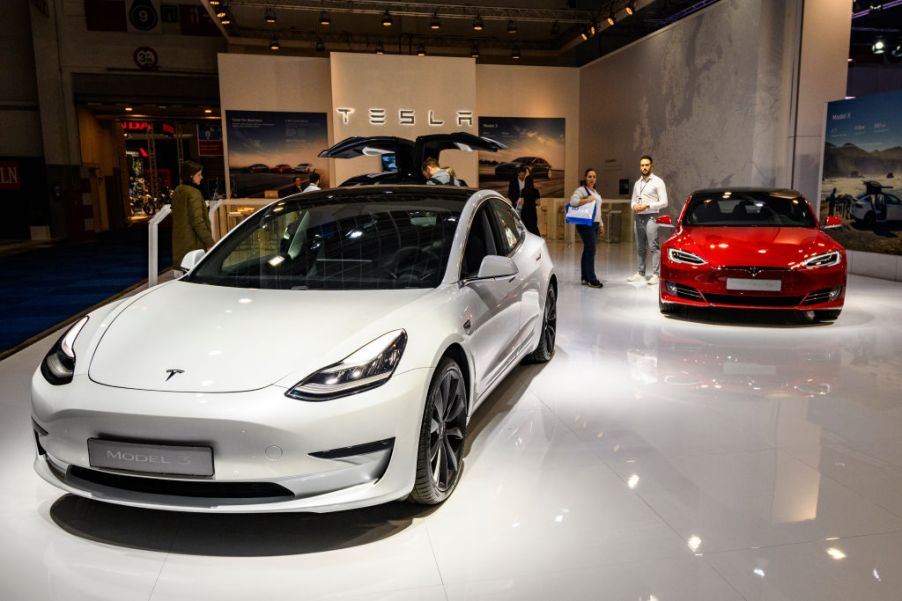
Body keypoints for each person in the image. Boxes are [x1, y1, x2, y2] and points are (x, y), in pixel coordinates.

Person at [628, 155, 668, 285]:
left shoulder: (658, 181)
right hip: (638, 216)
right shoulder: (637, 183)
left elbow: (664, 202)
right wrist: (634, 206)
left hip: (651, 216)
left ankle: (656, 274)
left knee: (653, 246)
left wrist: (648, 205)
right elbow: (633, 199)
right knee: (640, 246)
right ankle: (641, 272)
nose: (644, 167)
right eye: (642, 165)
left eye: (647, 165)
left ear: (652, 166)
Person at [171, 160, 215, 269]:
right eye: (199, 175)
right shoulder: (193, 193)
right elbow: (197, 221)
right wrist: (210, 242)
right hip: (193, 244)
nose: (201, 177)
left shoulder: (178, 190)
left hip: (181, 243)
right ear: (191, 176)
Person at [569, 168, 604, 288]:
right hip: (585, 225)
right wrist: (586, 200)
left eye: (594, 177)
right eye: (590, 176)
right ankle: (591, 279)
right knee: (591, 250)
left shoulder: (595, 191)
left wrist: (601, 224)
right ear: (585, 178)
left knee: (588, 250)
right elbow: (573, 202)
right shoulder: (582, 190)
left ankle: (585, 277)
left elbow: (598, 210)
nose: (592, 179)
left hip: (594, 224)